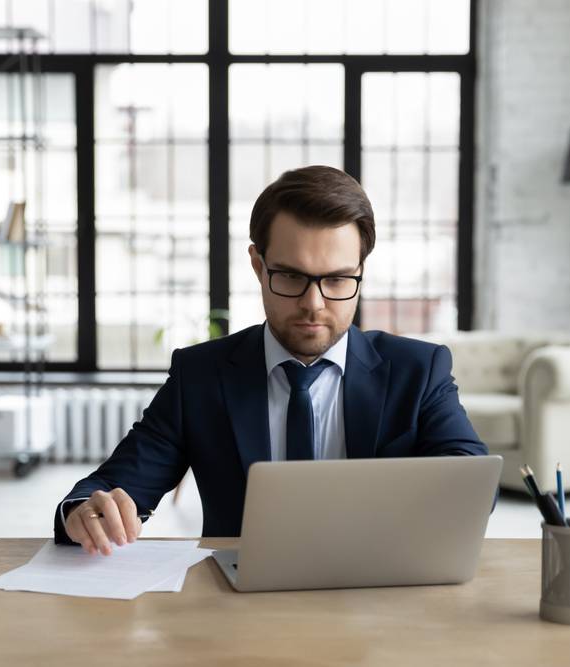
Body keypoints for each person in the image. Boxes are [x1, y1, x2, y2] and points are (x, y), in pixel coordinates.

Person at [55, 165, 487, 555]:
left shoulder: (418, 370)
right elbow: (111, 487)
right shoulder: (201, 376)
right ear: (258, 266)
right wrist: (85, 512)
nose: (314, 303)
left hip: (380, 595)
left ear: (361, 271)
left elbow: (472, 484)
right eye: (292, 277)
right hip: (239, 605)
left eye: (337, 279)